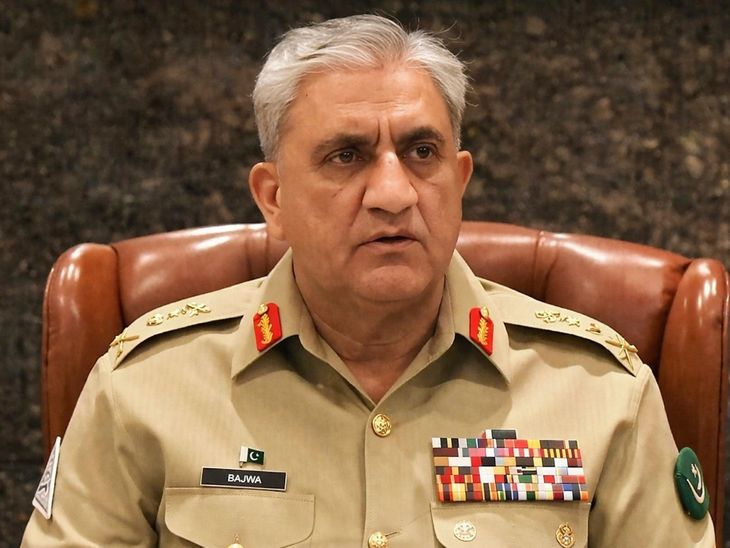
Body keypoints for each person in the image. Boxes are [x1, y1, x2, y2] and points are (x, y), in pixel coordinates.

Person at [23, 14, 714, 547]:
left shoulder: (597, 392)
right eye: (346, 156)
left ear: (459, 181)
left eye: (421, 152)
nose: (393, 193)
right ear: (273, 199)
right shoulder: (147, 388)